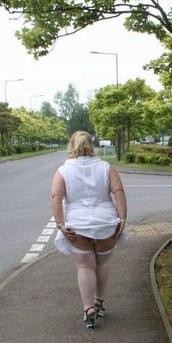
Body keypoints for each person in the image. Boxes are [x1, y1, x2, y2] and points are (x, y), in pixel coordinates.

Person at [51, 131, 127, 329]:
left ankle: (88, 309)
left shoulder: (63, 171)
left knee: (85, 266)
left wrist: (60, 224)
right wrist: (122, 219)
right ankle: (99, 302)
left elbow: (56, 197)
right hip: (106, 222)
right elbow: (118, 192)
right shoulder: (106, 167)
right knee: (102, 264)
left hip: (78, 226)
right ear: (91, 145)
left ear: (71, 146)